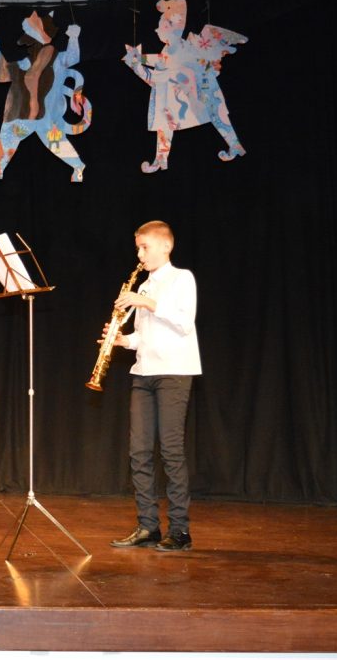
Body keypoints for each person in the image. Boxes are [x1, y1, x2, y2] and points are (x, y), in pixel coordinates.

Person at [106, 221, 201, 551]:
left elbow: (183, 322)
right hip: (144, 372)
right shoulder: (144, 286)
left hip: (173, 371)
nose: (140, 254)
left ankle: (180, 530)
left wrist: (146, 303)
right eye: (138, 248)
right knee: (139, 452)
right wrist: (123, 340)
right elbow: (144, 335)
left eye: (145, 247)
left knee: (171, 451)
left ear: (166, 246)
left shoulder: (181, 279)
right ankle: (148, 526)